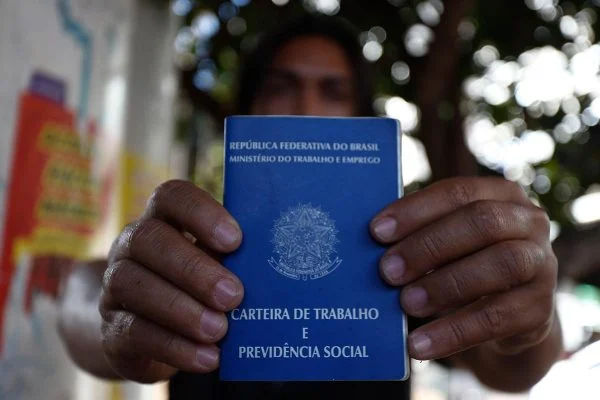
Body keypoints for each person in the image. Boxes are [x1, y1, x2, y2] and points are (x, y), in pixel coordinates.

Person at [58, 15, 563, 399]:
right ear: (248, 111)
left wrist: (534, 321)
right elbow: (81, 295)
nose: (306, 109)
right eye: (282, 87)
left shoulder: (402, 249)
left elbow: (509, 370)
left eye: (333, 92)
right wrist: (108, 316)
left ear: (364, 120)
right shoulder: (199, 238)